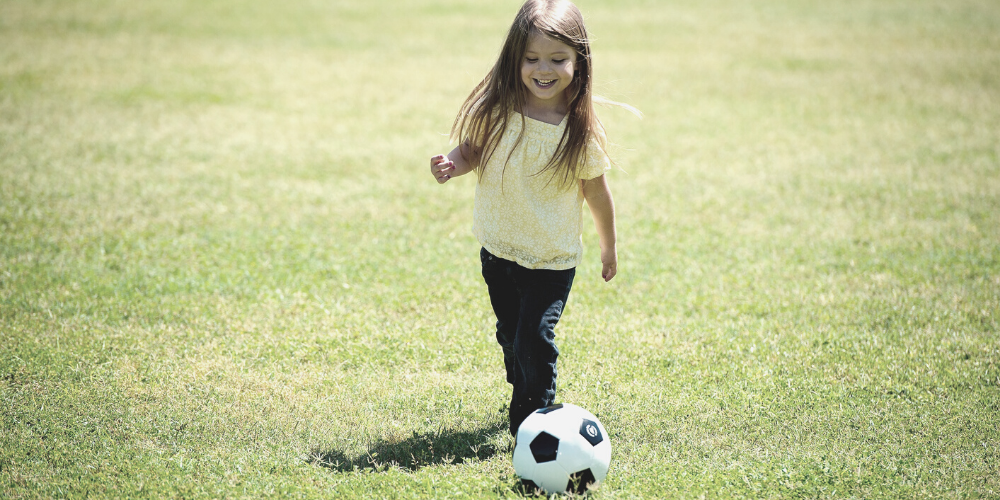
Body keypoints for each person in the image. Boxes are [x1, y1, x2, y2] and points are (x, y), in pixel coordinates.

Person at [429, 0, 633, 436]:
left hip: (550, 258)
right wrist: (451, 163)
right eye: (532, 58)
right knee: (510, 335)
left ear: (579, 61)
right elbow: (472, 151)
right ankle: (524, 383)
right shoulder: (498, 109)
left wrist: (608, 246)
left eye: (558, 59)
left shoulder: (577, 131)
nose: (545, 69)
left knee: (533, 339)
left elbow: (596, 192)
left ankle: (534, 421)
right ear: (515, 57)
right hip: (499, 248)